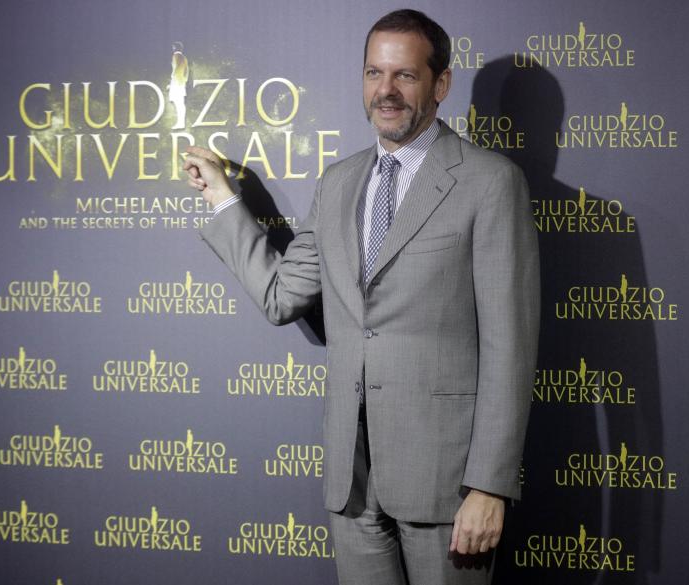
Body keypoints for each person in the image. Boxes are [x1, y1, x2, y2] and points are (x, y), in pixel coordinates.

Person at [182, 9, 539, 585]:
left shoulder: (490, 182)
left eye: (404, 75)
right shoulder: (338, 181)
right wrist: (224, 200)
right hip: (352, 480)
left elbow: (511, 350)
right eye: (374, 74)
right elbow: (280, 296)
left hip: (445, 485)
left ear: (440, 84)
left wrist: (489, 485)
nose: (386, 91)